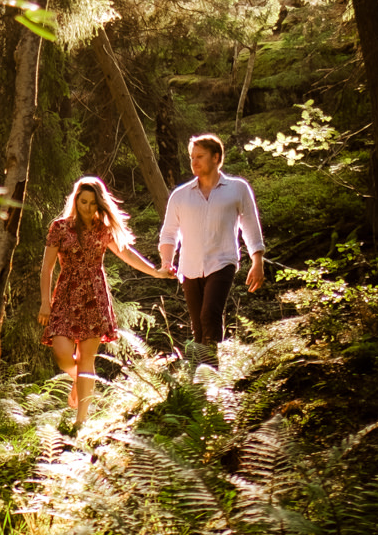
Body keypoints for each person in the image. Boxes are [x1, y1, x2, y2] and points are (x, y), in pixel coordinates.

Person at [36, 175, 173, 427]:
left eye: (92, 203)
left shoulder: (103, 229)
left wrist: (156, 271)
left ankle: (81, 422)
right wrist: (45, 302)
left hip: (94, 297)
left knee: (87, 358)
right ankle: (79, 379)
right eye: (83, 201)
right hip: (65, 295)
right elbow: (47, 268)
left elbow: (127, 254)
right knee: (62, 353)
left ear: (99, 205)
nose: (87, 207)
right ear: (76, 200)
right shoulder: (59, 227)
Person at [158, 133, 265, 350]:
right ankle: (203, 376)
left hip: (222, 262)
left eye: (200, 156)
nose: (194, 162)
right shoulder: (180, 196)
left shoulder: (237, 188)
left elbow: (251, 225)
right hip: (190, 268)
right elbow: (169, 234)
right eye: (191, 157)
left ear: (216, 157)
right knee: (198, 327)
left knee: (210, 315)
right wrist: (167, 261)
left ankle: (211, 374)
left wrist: (257, 261)